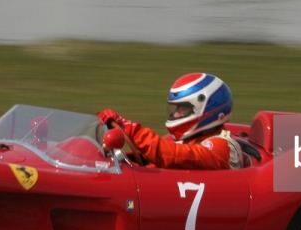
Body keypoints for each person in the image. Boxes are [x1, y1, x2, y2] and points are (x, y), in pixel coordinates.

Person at [97, 72, 247, 170]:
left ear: (205, 109)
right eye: (175, 108)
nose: (175, 114)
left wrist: (127, 127)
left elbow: (170, 154)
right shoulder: (192, 140)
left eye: (182, 108)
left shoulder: (221, 147)